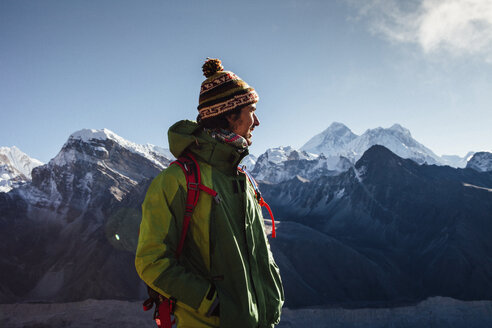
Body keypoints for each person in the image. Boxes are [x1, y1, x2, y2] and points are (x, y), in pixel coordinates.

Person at [135, 58, 284, 328]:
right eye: (252, 110)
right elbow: (151, 260)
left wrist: (272, 298)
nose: (258, 121)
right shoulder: (178, 180)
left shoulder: (242, 178)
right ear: (230, 115)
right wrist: (212, 303)